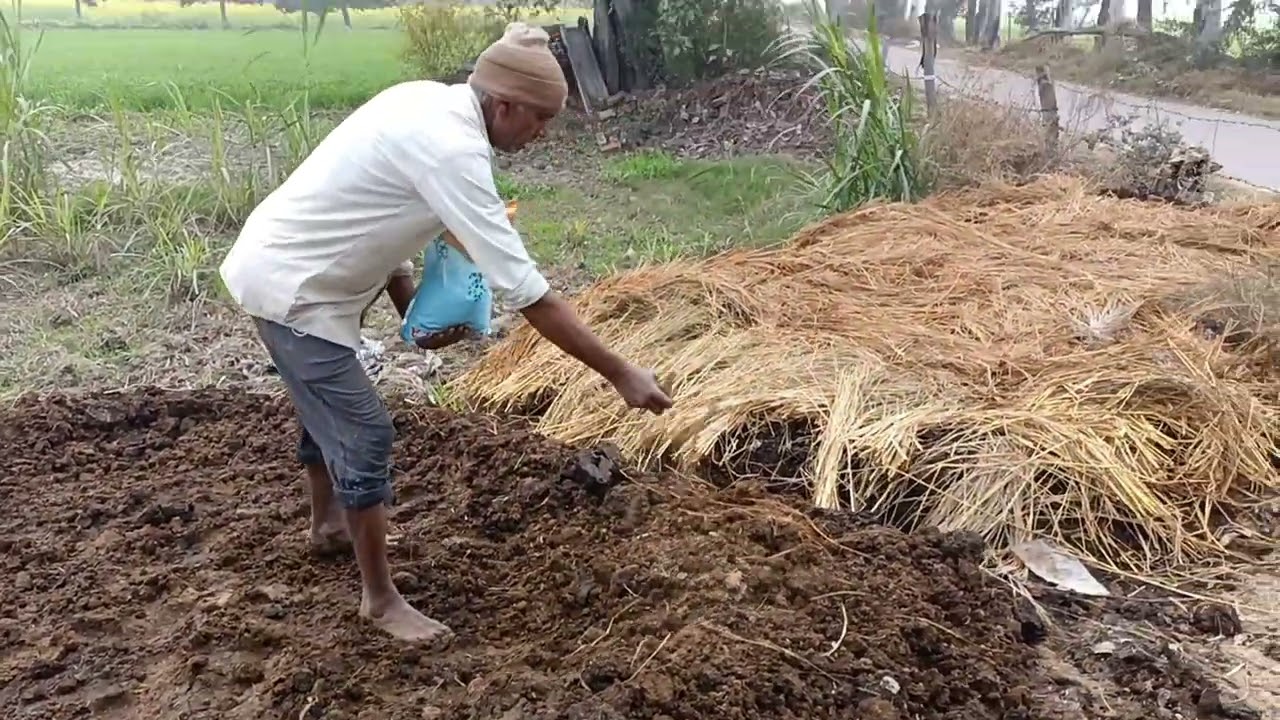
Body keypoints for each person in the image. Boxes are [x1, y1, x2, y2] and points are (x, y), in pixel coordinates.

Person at [219, 22, 673, 645]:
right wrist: (620, 372)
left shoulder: (422, 101)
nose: (542, 136)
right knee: (364, 432)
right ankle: (379, 601)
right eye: (539, 120)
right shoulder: (452, 150)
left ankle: (327, 526)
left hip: (291, 270)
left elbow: (376, 209)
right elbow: (526, 291)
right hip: (293, 290)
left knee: (322, 410)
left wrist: (410, 307)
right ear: (505, 104)